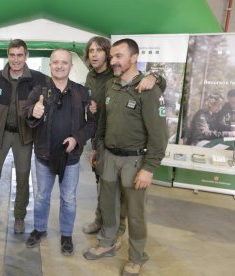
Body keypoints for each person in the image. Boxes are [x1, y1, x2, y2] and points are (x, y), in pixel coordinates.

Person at [83, 39, 167, 276]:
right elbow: (103, 121)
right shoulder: (111, 85)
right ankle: (108, 241)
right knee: (108, 206)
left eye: (119, 56)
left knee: (135, 212)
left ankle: (137, 256)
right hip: (109, 156)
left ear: (134, 57)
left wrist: (149, 168)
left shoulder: (149, 89)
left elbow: (159, 135)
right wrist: (98, 148)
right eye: (113, 57)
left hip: (135, 161)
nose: (114, 61)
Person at [24, 49, 96, 255]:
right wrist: (33, 111)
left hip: (70, 157)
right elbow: (26, 113)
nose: (60, 65)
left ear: (71, 66)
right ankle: (39, 230)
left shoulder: (81, 92)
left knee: (69, 199)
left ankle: (66, 235)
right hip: (43, 155)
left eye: (64, 62)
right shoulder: (38, 90)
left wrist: (77, 139)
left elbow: (91, 124)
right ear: (50, 65)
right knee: (41, 196)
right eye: (55, 62)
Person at [0, 39, 46, 234]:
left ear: (26, 56)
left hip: (24, 137)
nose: (16, 59)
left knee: (23, 179)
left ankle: (20, 216)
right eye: (12, 55)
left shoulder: (38, 79)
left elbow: (58, 88)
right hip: (0, 135)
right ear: (8, 55)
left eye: (20, 55)